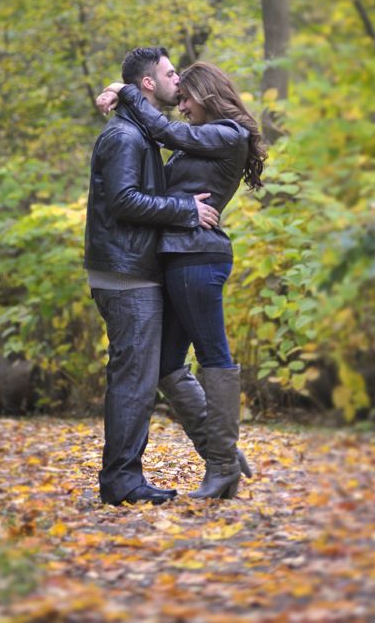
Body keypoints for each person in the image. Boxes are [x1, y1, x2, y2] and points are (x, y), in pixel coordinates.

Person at [97, 62, 266, 499]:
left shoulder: (229, 133)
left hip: (197, 257)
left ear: (207, 94)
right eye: (180, 95)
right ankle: (219, 450)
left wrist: (126, 91)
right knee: (166, 364)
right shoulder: (205, 140)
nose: (183, 105)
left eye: (188, 97)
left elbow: (169, 133)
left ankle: (223, 465)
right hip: (177, 257)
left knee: (214, 355)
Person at [84, 46, 220, 506]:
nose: (177, 81)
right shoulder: (124, 137)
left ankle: (124, 477)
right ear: (148, 84)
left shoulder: (139, 132)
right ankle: (121, 481)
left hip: (132, 270)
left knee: (139, 378)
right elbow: (124, 201)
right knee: (133, 381)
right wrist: (186, 209)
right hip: (125, 275)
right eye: (170, 73)